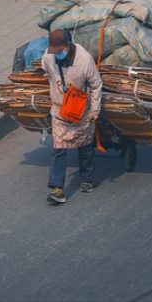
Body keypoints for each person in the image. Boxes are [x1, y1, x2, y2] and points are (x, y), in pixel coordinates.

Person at [42, 29, 102, 204]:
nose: (55, 54)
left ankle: (87, 179)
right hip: (60, 109)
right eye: (53, 50)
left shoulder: (84, 60)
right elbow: (47, 74)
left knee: (85, 146)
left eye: (59, 51)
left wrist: (95, 111)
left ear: (67, 46)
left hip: (81, 110)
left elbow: (96, 85)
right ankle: (57, 188)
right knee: (58, 148)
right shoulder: (48, 57)